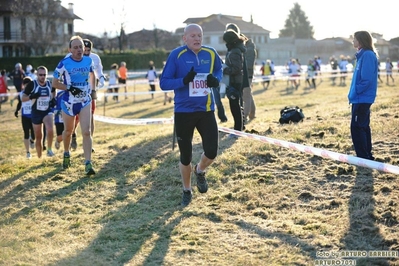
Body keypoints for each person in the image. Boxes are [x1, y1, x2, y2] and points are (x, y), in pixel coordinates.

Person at [160, 24, 223, 206]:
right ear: (185, 38)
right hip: (184, 112)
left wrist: (215, 80)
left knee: (212, 151)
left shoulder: (210, 54)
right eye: (193, 36)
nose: (197, 39)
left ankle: (200, 170)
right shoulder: (176, 55)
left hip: (206, 110)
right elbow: (164, 83)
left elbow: (219, 70)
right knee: (185, 155)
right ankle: (187, 190)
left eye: (200, 35)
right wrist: (183, 81)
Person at [52, 35, 96, 175]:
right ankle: (66, 153)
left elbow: (92, 75)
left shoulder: (89, 61)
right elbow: (55, 83)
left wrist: (93, 90)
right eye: (75, 47)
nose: (79, 50)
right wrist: (69, 88)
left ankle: (88, 163)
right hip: (69, 102)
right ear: (70, 49)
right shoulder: (64, 63)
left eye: (81, 47)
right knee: (68, 132)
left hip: (84, 101)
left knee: (87, 131)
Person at [70, 39, 105, 152]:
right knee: (75, 118)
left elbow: (99, 72)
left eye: (88, 51)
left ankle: (90, 143)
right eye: (84, 50)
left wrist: (101, 80)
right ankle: (73, 134)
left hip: (89, 92)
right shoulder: (72, 57)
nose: (85, 53)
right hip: (75, 93)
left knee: (91, 116)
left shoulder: (95, 58)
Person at [348, 31, 378, 160]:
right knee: (362, 126)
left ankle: (363, 157)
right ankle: (366, 156)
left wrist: (357, 91)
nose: (352, 41)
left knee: (358, 127)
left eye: (354, 39)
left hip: (362, 98)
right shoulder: (362, 55)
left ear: (360, 40)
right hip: (359, 97)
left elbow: (366, 79)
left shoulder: (367, 55)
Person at [21, 66, 55, 158]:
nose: (42, 77)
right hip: (36, 112)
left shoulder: (49, 83)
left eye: (44, 75)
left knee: (50, 129)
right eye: (40, 75)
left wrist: (53, 100)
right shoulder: (32, 84)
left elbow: (53, 92)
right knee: (38, 137)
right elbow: (23, 98)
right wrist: (31, 97)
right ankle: (39, 157)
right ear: (37, 75)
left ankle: (49, 150)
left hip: (46, 111)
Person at [226, 23, 256, 124]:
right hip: (241, 73)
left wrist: (242, 70)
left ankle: (245, 117)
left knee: (246, 95)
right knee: (248, 94)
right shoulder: (234, 44)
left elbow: (249, 61)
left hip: (246, 73)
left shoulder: (247, 45)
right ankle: (252, 113)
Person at [222, 29, 247, 135]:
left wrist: (225, 69)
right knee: (235, 105)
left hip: (235, 82)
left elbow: (236, 68)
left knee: (235, 106)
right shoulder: (235, 50)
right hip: (235, 81)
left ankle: (238, 129)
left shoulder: (235, 51)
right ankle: (238, 128)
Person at [15, 77, 35, 158]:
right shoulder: (21, 94)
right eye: (25, 85)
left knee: (34, 135)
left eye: (28, 85)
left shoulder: (34, 93)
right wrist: (16, 111)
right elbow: (20, 103)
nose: (27, 86)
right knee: (26, 134)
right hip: (25, 117)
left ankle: (32, 140)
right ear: (23, 85)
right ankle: (28, 152)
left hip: (33, 116)